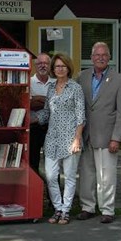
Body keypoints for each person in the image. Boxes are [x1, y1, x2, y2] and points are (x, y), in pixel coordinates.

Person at [76, 42, 121, 224]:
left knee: (106, 175)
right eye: (97, 55)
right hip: (85, 135)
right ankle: (87, 207)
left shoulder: (119, 80)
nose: (100, 57)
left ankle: (107, 209)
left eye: (104, 55)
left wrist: (116, 138)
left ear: (109, 57)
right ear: (91, 57)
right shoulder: (81, 77)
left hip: (107, 137)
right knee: (86, 174)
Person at [33, 53, 85, 225]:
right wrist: (29, 118)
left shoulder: (75, 88)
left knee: (69, 176)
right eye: (57, 67)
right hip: (52, 139)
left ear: (68, 68)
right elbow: (47, 113)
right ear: (53, 70)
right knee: (51, 176)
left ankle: (65, 210)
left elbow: (81, 116)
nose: (60, 69)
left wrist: (77, 139)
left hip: (70, 137)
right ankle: (57, 207)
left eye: (63, 66)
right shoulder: (51, 88)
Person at [29, 52, 55, 172]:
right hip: (34, 127)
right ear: (35, 65)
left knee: (53, 163)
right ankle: (37, 189)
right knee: (33, 161)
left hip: (52, 127)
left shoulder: (55, 83)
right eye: (39, 63)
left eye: (45, 63)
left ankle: (52, 191)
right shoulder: (29, 82)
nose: (42, 66)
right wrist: (48, 101)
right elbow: (29, 104)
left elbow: (57, 105)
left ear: (50, 65)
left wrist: (38, 98)